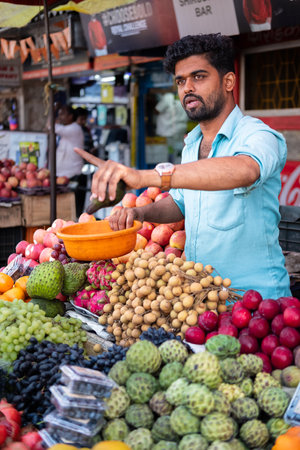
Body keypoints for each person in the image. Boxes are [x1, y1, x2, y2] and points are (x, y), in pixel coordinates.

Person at [75, 33, 291, 300]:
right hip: (204, 297)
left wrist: (145, 177)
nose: (187, 87)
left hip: (257, 301)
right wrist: (140, 214)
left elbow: (245, 170)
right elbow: (181, 204)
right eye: (180, 81)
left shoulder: (259, 136)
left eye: (198, 77)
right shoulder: (192, 145)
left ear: (228, 81)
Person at [55, 105, 85, 217]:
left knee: (74, 212)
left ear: (71, 116)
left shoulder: (74, 128)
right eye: (59, 114)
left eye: (62, 114)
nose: (60, 117)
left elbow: (50, 127)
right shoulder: (67, 130)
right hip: (64, 176)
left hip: (73, 176)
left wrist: (52, 110)